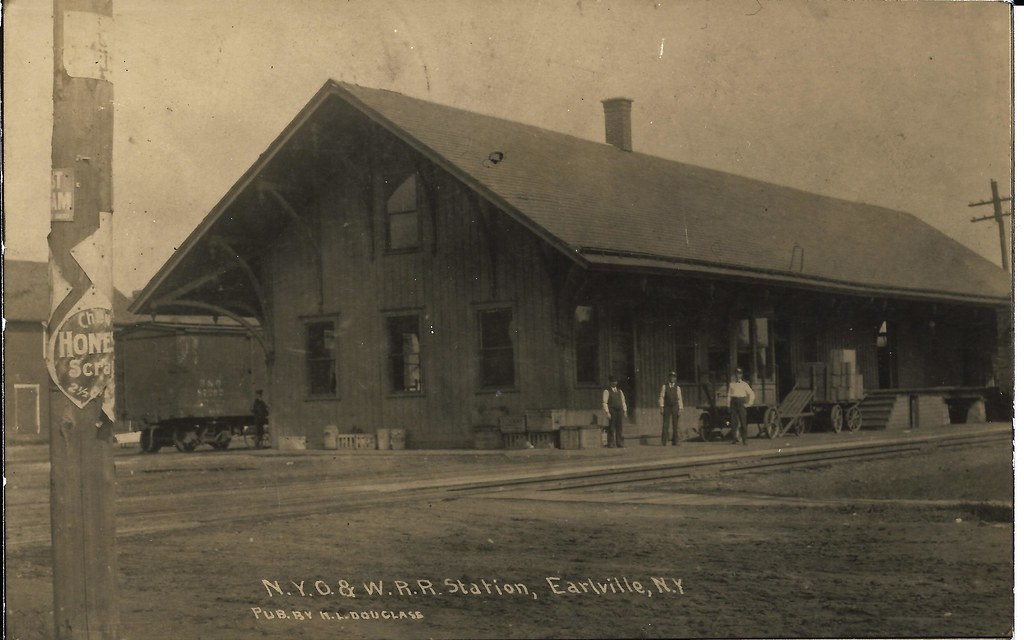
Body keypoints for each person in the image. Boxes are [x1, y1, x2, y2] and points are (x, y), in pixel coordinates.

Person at [727, 368, 756, 445]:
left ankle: (744, 440)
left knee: (743, 422)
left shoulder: (744, 385)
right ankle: (734, 439)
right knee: (733, 422)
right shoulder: (731, 384)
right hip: (733, 403)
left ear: (741, 375)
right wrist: (728, 406)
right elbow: (729, 395)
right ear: (735, 375)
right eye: (736, 374)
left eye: (739, 374)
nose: (738, 375)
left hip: (741, 403)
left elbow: (751, 394)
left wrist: (749, 403)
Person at [658, 370, 684, 446]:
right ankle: (664, 441)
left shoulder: (677, 388)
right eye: (671, 377)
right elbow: (661, 397)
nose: (672, 378)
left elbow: (680, 398)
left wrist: (680, 408)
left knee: (675, 424)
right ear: (669, 378)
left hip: (675, 406)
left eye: (674, 377)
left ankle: (675, 441)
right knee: (665, 424)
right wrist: (661, 407)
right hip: (667, 406)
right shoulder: (664, 386)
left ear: (675, 378)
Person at [601, 376, 627, 448]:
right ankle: (611, 443)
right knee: (612, 427)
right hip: (612, 411)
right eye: (613, 381)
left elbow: (623, 401)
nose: (614, 383)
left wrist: (625, 411)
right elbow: (604, 402)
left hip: (619, 410)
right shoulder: (607, 391)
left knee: (619, 427)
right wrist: (607, 412)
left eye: (615, 381)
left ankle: (619, 443)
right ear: (610, 382)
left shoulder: (619, 391)